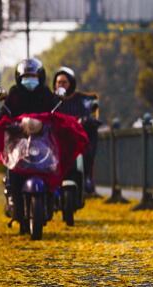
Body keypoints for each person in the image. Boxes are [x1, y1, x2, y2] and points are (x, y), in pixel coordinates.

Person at [0, 58, 59, 233]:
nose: (30, 80)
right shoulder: (14, 94)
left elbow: (56, 112)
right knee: (13, 172)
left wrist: (50, 122)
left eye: (33, 76)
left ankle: (52, 198)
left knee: (52, 167)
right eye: (26, 76)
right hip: (19, 143)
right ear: (19, 78)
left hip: (42, 142)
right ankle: (13, 201)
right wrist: (8, 122)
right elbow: (4, 114)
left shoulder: (47, 94)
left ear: (40, 77)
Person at [53, 66, 101, 195]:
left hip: (77, 138)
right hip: (56, 140)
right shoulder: (51, 99)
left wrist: (85, 120)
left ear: (71, 83)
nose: (61, 85)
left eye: (64, 82)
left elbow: (90, 114)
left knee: (87, 149)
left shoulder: (81, 99)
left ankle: (86, 178)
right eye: (58, 82)